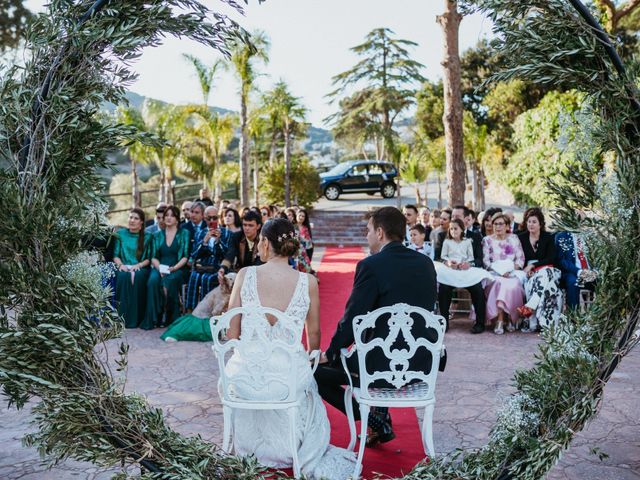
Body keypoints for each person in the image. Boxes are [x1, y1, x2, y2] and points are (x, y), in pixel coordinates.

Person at [222, 218, 356, 479]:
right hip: (286, 380)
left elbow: (231, 332)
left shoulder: (245, 275)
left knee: (238, 367)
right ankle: (291, 446)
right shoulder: (308, 282)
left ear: (263, 243)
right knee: (303, 378)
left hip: (246, 377)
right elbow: (313, 334)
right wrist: (308, 358)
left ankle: (247, 447)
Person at [315, 207, 441, 447]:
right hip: (421, 363)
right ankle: (380, 419)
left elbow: (353, 318)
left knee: (313, 372)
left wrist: (330, 353)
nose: (367, 236)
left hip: (380, 367)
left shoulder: (371, 266)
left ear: (380, 232)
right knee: (380, 340)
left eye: (368, 231)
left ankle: (373, 420)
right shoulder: (426, 264)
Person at [435, 218, 492, 334]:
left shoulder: (468, 241)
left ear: (462, 229)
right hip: (450, 269)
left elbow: (471, 257)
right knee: (444, 287)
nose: (453, 231)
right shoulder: (446, 241)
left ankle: (480, 323)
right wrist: (448, 263)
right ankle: (444, 321)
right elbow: (441, 257)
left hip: (465, 269)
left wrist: (467, 264)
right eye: (451, 229)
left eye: (456, 228)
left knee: (477, 288)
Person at [142, 206, 190, 330]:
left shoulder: (184, 233)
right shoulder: (157, 235)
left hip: (177, 268)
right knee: (152, 281)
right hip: (159, 267)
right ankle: (154, 318)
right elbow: (153, 257)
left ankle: (168, 315)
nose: (168, 218)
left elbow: (185, 256)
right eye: (166, 215)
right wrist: (160, 269)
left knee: (169, 281)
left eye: (172, 215)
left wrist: (173, 268)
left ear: (177, 219)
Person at [516, 208, 563, 331]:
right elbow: (519, 258)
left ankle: (530, 307)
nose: (531, 224)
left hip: (550, 270)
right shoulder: (521, 238)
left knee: (545, 272)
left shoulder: (548, 237)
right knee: (550, 289)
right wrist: (528, 268)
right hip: (530, 274)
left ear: (540, 224)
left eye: (534, 222)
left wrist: (534, 265)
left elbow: (551, 258)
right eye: (529, 221)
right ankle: (545, 324)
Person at [482, 212, 526, 334]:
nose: (498, 227)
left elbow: (520, 259)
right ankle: (500, 320)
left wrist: (511, 270)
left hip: (512, 273)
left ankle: (510, 318)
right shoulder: (487, 240)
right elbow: (486, 261)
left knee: (514, 285)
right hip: (495, 274)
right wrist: (500, 271)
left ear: (507, 226)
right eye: (495, 224)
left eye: (501, 224)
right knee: (499, 284)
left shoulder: (514, 238)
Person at [185, 206, 233, 311]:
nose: (212, 221)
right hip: (204, 266)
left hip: (218, 267)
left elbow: (226, 254)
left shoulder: (226, 233)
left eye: (214, 218)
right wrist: (204, 242)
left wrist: (218, 241)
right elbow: (194, 254)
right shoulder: (200, 233)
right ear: (204, 218)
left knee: (206, 278)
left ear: (219, 218)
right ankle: (191, 310)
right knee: (194, 276)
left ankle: (206, 310)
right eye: (208, 218)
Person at [113, 208, 151, 328]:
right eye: (130, 217)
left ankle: (137, 319)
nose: (132, 220)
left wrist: (137, 266)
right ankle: (121, 319)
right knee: (123, 276)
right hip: (123, 266)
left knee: (139, 276)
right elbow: (116, 255)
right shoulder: (120, 234)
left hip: (140, 267)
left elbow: (148, 258)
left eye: (136, 218)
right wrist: (121, 265)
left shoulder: (148, 236)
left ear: (141, 222)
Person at [555, 230, 597, 310]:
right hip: (573, 272)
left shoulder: (589, 235)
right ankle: (574, 317)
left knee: (606, 280)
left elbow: (598, 256)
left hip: (591, 271)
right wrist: (579, 272)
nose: (579, 216)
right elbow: (562, 260)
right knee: (573, 282)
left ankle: (601, 317)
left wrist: (595, 271)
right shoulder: (563, 236)